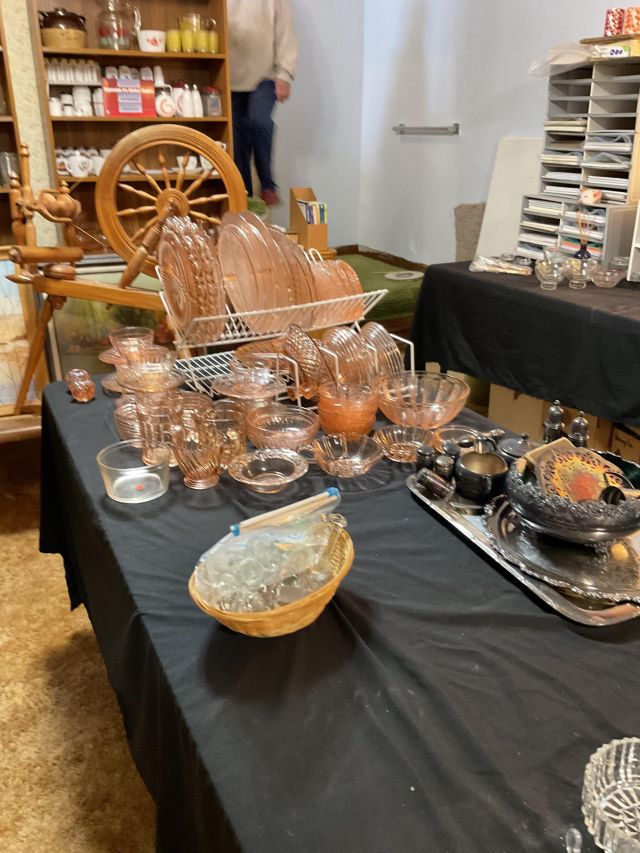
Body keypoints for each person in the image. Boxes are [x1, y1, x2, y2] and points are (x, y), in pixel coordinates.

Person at [227, 0, 298, 205]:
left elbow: (286, 33)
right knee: (237, 139)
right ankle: (244, 199)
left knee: (259, 121)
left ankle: (267, 185)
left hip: (266, 75)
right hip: (228, 74)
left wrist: (284, 74)